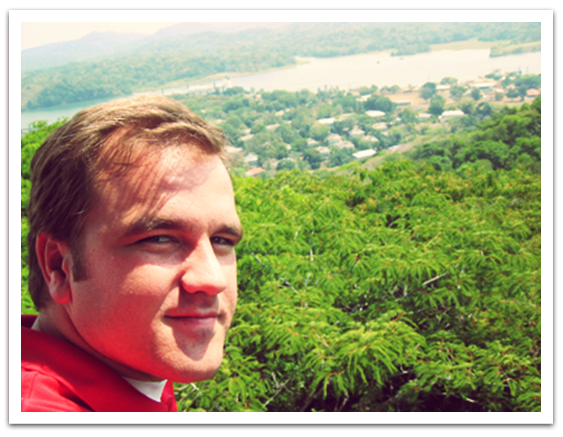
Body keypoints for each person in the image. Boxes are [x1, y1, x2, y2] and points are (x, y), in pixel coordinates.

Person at [21, 95, 243, 412]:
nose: (213, 279)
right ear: (58, 266)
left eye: (222, 240)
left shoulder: (131, 368)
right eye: (160, 239)